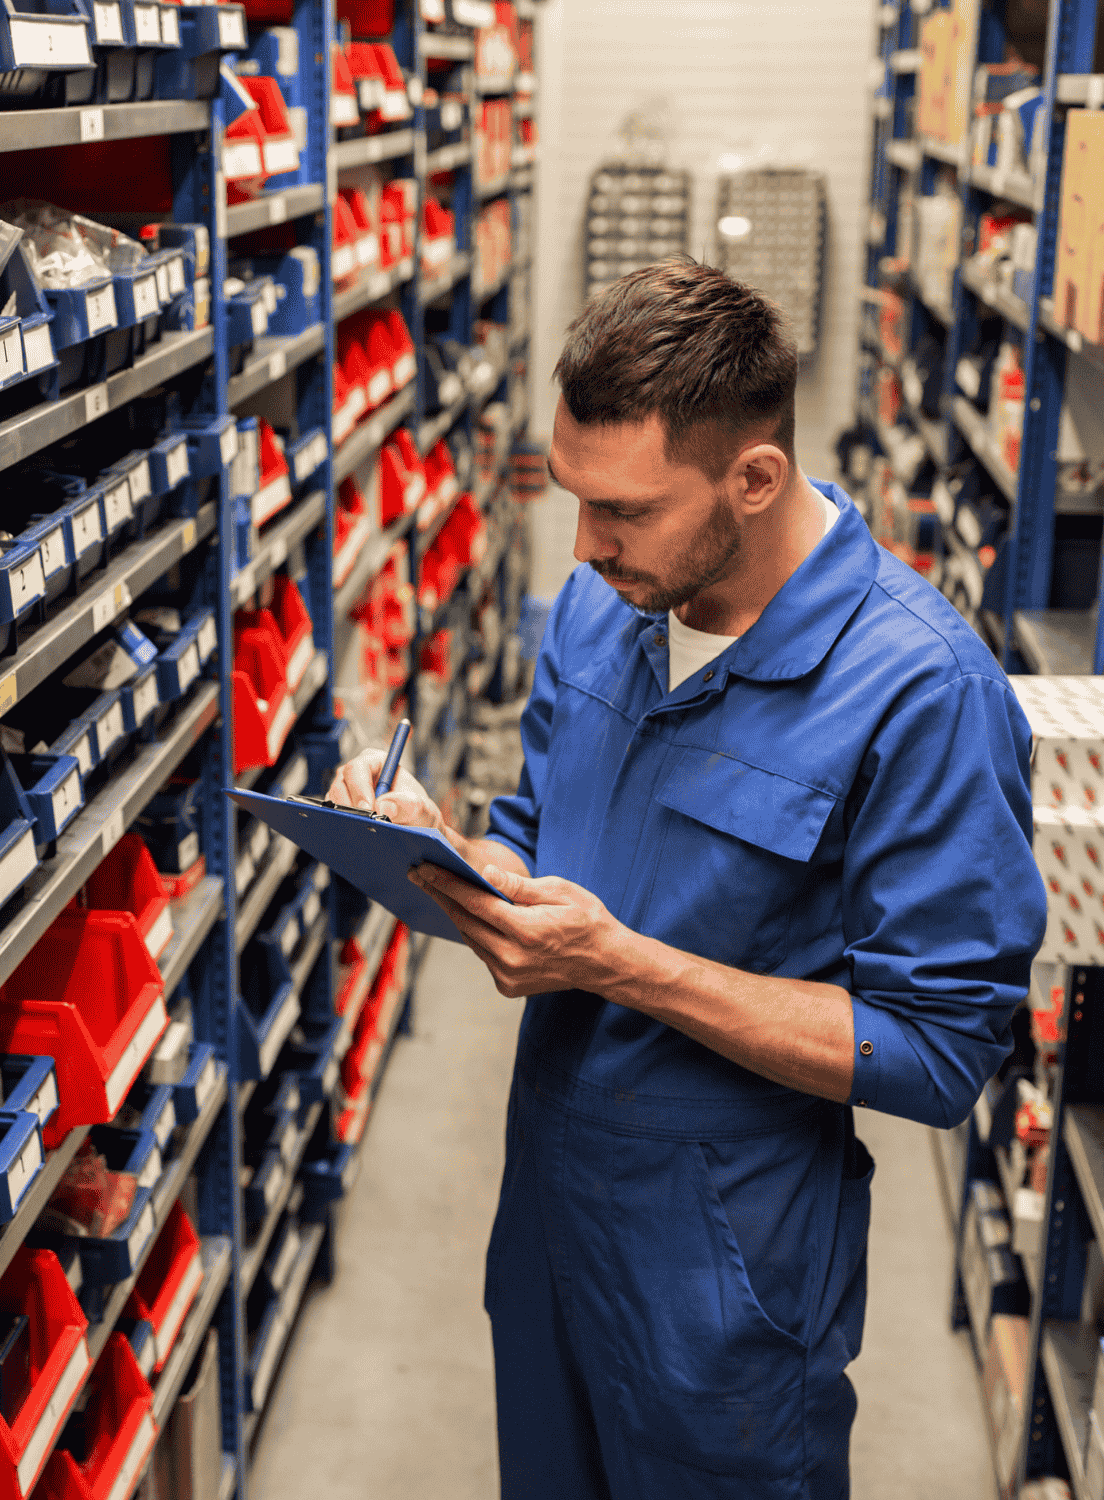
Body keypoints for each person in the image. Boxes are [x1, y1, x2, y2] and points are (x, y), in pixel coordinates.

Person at [328, 259, 1048, 1498]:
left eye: (624, 511)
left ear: (753, 477)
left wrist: (619, 965)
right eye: (573, 498)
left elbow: (937, 1054)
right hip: (552, 1214)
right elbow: (537, 840)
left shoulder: (923, 690)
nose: (585, 545)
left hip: (726, 1272)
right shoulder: (602, 607)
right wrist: (437, 853)